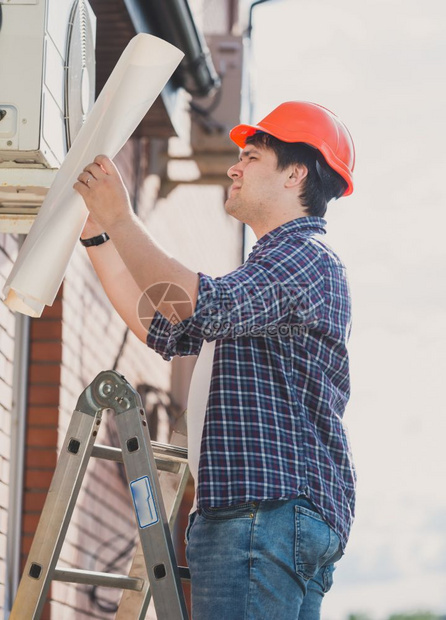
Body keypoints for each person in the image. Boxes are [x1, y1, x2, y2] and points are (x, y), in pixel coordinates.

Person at [74, 101, 357, 619]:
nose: (234, 166)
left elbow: (196, 303)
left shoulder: (303, 258)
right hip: (273, 516)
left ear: (296, 173)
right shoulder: (270, 277)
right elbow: (159, 323)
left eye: (251, 156)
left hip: (262, 514)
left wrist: (122, 217)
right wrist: (99, 233)